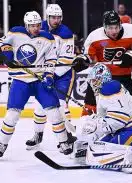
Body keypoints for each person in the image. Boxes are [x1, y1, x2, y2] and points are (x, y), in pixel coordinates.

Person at [0, 11, 73, 158]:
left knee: (54, 113)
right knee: (12, 115)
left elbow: (51, 60)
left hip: (40, 80)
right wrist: (4, 51)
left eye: (37, 25)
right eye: (32, 25)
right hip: (20, 81)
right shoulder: (16, 33)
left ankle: (63, 142)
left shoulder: (47, 38)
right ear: (26, 25)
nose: (35, 28)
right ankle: (2, 144)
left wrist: (49, 75)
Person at [74, 64, 132, 166]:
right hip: (127, 130)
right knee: (99, 146)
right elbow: (110, 121)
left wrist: (98, 125)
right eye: (92, 81)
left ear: (103, 79)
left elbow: (120, 120)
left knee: (105, 150)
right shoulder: (105, 93)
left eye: (95, 80)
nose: (92, 84)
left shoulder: (109, 89)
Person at [72, 10, 132, 115]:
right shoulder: (94, 36)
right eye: (110, 28)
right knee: (90, 102)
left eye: (116, 27)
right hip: (100, 77)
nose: (114, 31)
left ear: (120, 25)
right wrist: (82, 60)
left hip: (124, 77)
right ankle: (87, 122)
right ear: (104, 27)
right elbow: (88, 56)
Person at [25, 4, 77, 150]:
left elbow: (66, 61)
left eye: (58, 17)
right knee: (40, 106)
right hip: (46, 74)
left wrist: (50, 75)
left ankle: (67, 137)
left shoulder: (66, 32)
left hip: (63, 74)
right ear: (47, 17)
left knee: (60, 106)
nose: (56, 20)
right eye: (53, 17)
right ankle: (37, 135)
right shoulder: (38, 27)